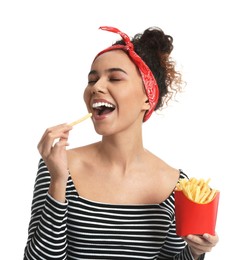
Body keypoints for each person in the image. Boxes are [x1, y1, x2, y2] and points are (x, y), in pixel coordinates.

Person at [23, 26, 219, 259]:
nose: (96, 87)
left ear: (147, 98)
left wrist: (195, 252)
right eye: (92, 79)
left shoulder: (176, 185)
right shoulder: (57, 166)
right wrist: (57, 182)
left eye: (115, 78)